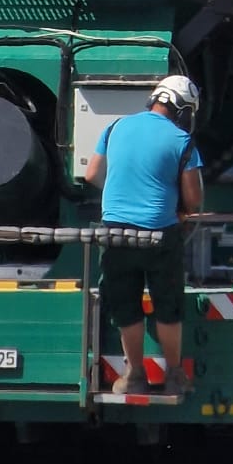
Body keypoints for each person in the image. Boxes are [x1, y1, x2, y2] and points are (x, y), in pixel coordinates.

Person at [84, 74, 204, 398]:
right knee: (167, 303)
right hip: (159, 235)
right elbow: (193, 200)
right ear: (183, 110)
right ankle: (175, 374)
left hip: (115, 233)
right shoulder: (182, 140)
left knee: (125, 303)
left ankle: (134, 373)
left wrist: (121, 195)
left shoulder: (115, 127)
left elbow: (92, 173)